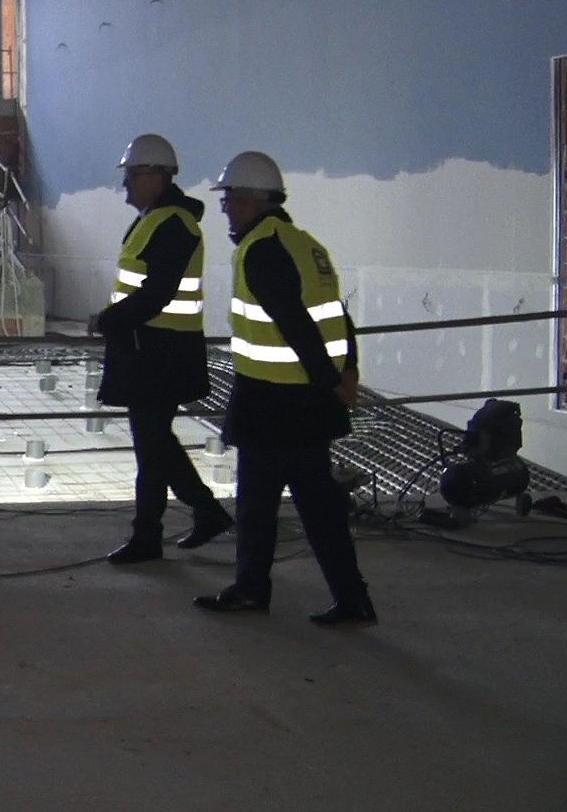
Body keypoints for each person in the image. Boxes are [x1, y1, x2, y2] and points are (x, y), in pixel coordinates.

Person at [194, 151, 376, 626]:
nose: (226, 210)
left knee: (258, 505)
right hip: (304, 403)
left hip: (274, 402)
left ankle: (253, 589)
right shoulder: (303, 244)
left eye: (231, 200)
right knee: (318, 507)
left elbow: (296, 324)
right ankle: (351, 597)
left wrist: (332, 381)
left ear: (255, 202)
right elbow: (336, 314)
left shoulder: (262, 249)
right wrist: (346, 372)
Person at [92, 134, 233, 564]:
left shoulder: (172, 223)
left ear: (159, 176)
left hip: (160, 352)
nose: (127, 184)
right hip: (148, 349)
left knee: (151, 448)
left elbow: (157, 293)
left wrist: (108, 320)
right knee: (155, 443)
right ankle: (205, 513)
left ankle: (149, 537)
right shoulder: (155, 220)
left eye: (133, 175)